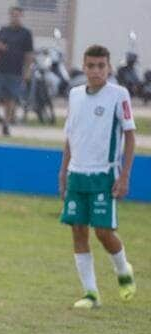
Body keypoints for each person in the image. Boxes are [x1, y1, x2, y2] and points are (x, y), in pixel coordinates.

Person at [58, 45, 136, 309]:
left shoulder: (118, 95)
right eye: (90, 65)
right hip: (77, 173)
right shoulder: (75, 95)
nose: (95, 71)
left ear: (109, 67)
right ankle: (91, 294)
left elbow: (130, 134)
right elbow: (71, 135)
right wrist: (63, 171)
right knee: (78, 231)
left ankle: (123, 270)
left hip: (104, 174)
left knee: (103, 231)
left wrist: (124, 175)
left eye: (101, 66)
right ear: (83, 66)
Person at [0, 6, 33, 136]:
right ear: (10, 16)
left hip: (15, 71)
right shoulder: (3, 31)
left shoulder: (26, 33)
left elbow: (29, 54)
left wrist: (26, 72)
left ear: (21, 16)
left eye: (18, 15)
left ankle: (6, 125)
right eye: (13, 15)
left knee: (10, 99)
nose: (15, 18)